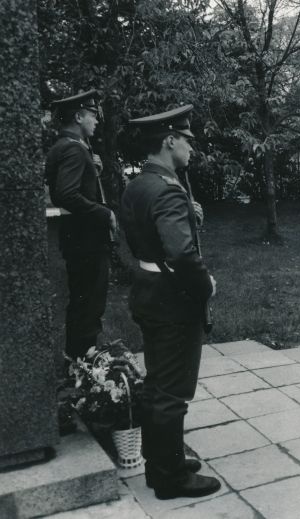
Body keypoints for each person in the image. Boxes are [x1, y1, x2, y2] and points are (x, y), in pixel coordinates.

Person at [120, 105, 220, 499]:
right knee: (172, 390)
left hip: (149, 290)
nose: (192, 148)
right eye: (187, 140)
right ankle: (170, 477)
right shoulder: (167, 189)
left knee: (159, 382)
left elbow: (142, 238)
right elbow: (179, 254)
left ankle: (160, 460)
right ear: (169, 141)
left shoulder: (138, 185)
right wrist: (205, 286)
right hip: (173, 299)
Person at [45, 89, 116, 362]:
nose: (97, 120)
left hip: (78, 240)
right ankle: (85, 366)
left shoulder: (67, 146)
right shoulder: (74, 149)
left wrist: (91, 170)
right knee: (89, 304)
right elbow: (65, 194)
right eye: (92, 114)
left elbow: (70, 188)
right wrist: (104, 213)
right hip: (86, 240)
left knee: (82, 301)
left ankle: (78, 361)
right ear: (78, 116)